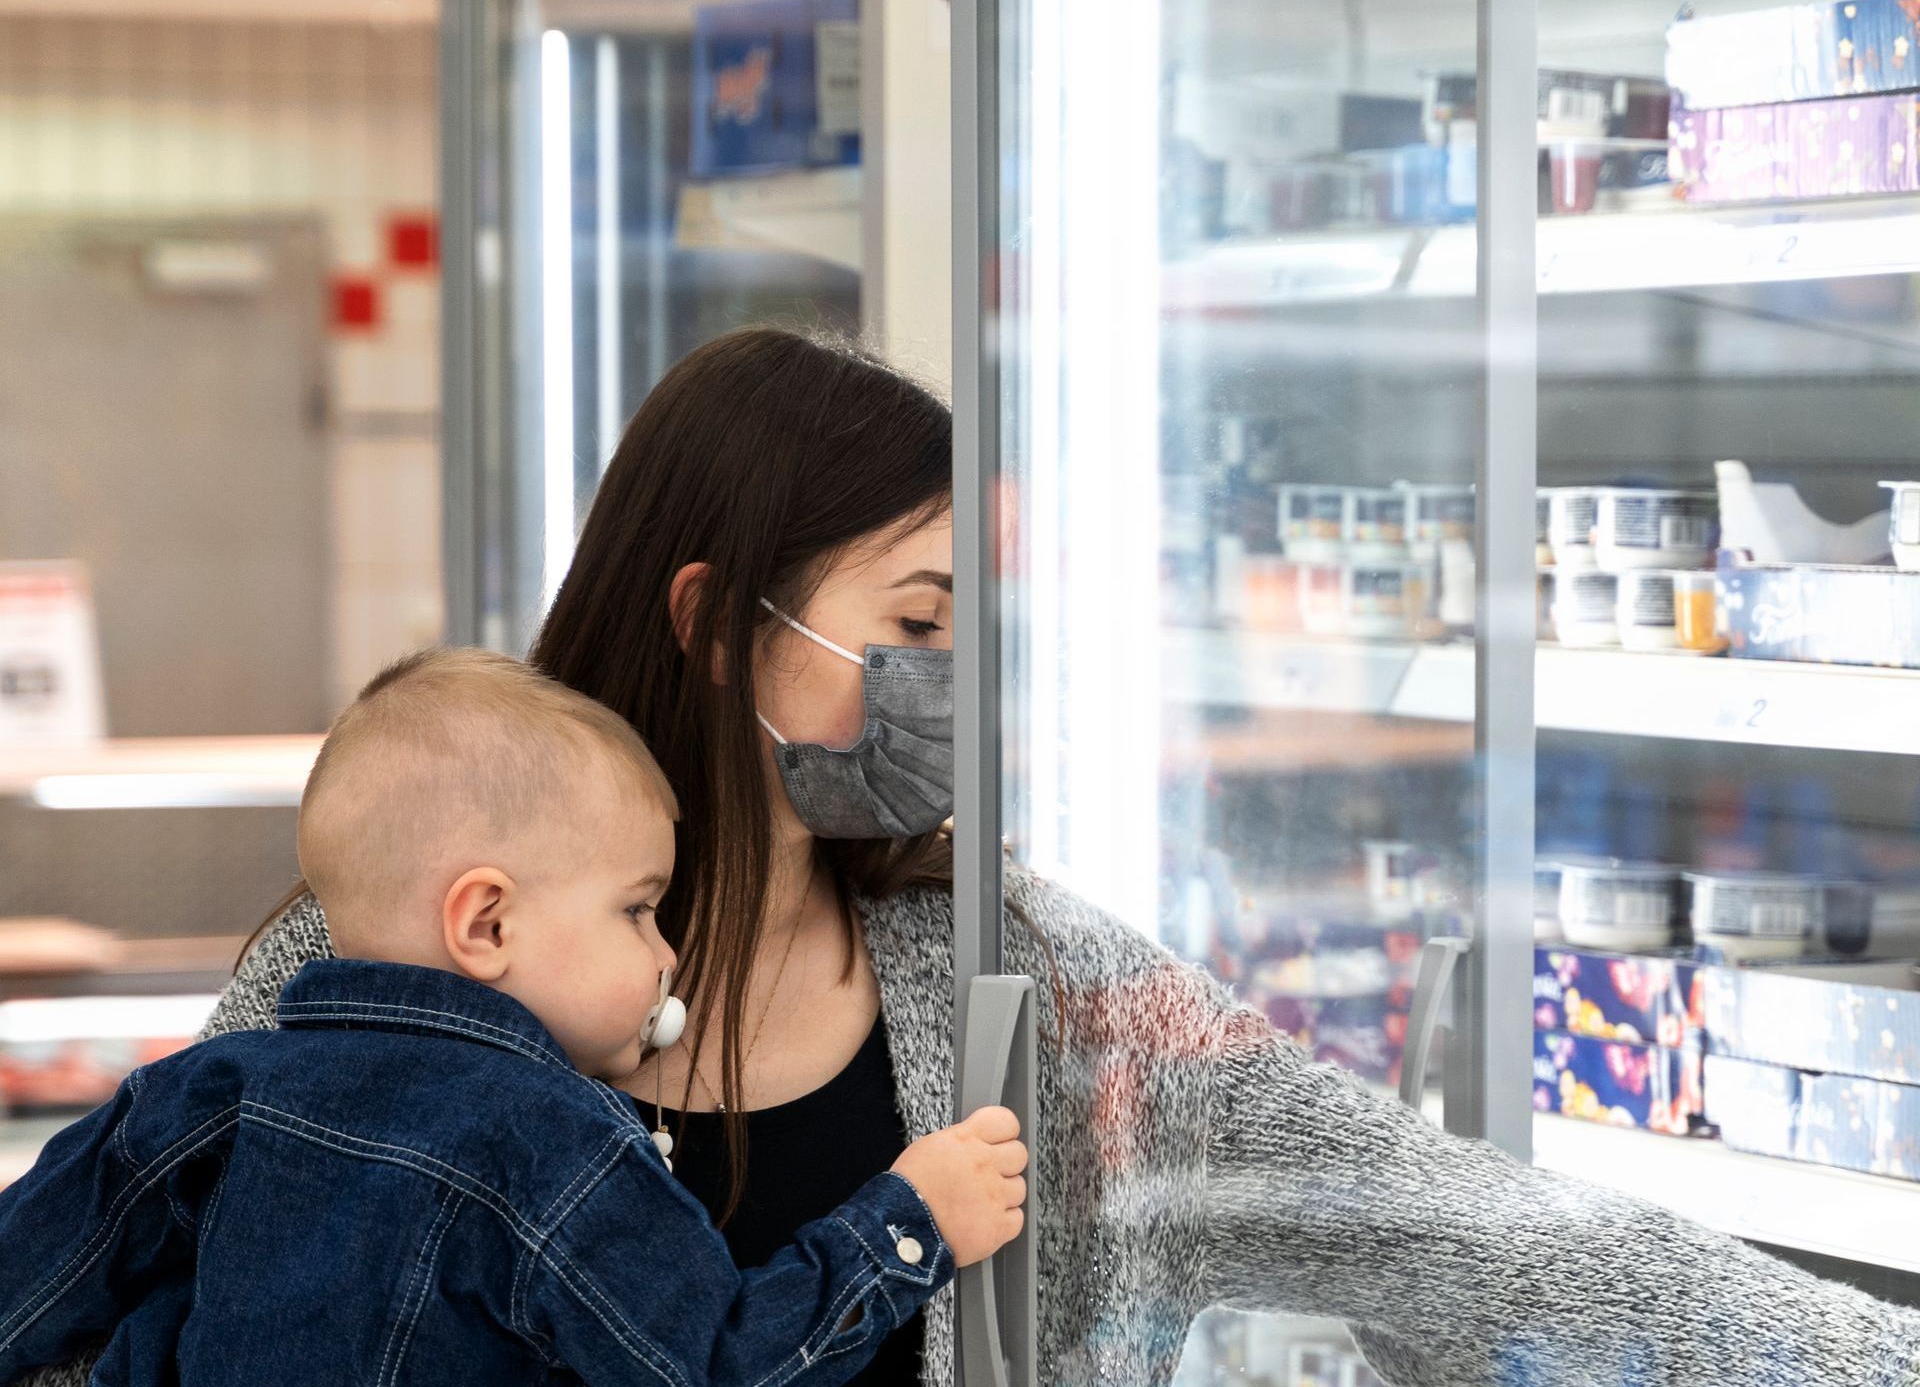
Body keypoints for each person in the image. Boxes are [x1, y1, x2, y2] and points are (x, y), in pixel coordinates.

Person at [21, 327, 1918, 1387]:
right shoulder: (362, 976)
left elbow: (1440, 1214)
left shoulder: (1016, 974)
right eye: (914, 623)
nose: (957, 686)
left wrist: (1852, 1354)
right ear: (713, 616)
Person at [0, 648, 1025, 1386]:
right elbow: (714, 1364)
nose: (668, 954)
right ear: (485, 921)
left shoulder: (214, 1088)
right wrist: (910, 1220)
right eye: (637, 909)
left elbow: (31, 1273)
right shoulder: (555, 1146)